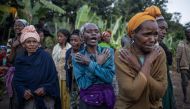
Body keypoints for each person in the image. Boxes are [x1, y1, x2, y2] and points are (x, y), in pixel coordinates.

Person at [114, 10, 167, 109]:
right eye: (147, 34)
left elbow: (160, 92)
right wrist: (148, 62)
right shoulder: (122, 54)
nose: (152, 39)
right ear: (133, 34)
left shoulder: (159, 53)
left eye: (155, 34)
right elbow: (132, 94)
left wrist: (139, 66)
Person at [13, 25, 61, 109]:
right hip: (28, 100)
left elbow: (53, 78)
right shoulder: (20, 60)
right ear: (23, 44)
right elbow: (17, 80)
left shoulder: (46, 57)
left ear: (38, 44)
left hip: (46, 99)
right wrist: (23, 90)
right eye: (28, 42)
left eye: (34, 42)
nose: (32, 44)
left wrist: (45, 88)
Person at [72, 23, 115, 109]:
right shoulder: (78, 57)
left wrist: (89, 63)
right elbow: (83, 84)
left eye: (96, 31)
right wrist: (98, 63)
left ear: (99, 36)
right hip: (87, 101)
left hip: (107, 100)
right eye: (89, 31)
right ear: (82, 37)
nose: (93, 33)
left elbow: (109, 77)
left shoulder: (107, 52)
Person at [145, 5, 176, 109]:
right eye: (161, 28)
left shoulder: (163, 47)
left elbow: (169, 63)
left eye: (166, 29)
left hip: (164, 85)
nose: (164, 32)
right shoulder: (142, 48)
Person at [52, 29, 71, 109]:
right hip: (57, 75)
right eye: (58, 36)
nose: (58, 38)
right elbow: (53, 60)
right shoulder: (56, 47)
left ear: (66, 37)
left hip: (66, 76)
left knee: (66, 95)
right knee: (58, 95)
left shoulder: (70, 47)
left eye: (61, 36)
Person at [65, 29, 83, 109]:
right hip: (72, 82)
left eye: (76, 40)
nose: (73, 42)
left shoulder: (84, 51)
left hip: (82, 83)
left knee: (81, 103)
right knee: (72, 103)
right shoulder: (68, 52)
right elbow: (66, 68)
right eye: (71, 40)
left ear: (81, 41)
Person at [176, 27, 190, 104]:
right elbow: (178, 56)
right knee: (184, 83)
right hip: (184, 66)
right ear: (185, 34)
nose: (189, 34)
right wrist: (178, 67)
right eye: (188, 32)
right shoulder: (181, 44)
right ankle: (185, 97)